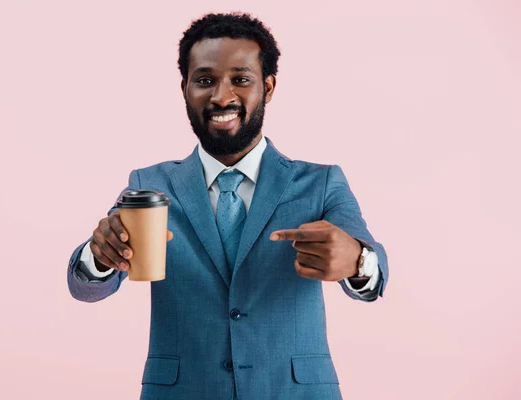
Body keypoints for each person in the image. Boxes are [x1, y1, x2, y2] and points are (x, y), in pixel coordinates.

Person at [67, 12, 388, 400]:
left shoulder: (321, 183)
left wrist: (357, 260)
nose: (221, 96)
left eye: (241, 79)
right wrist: (99, 256)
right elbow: (86, 288)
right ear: (185, 88)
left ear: (267, 88)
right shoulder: (149, 184)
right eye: (205, 80)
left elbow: (374, 272)